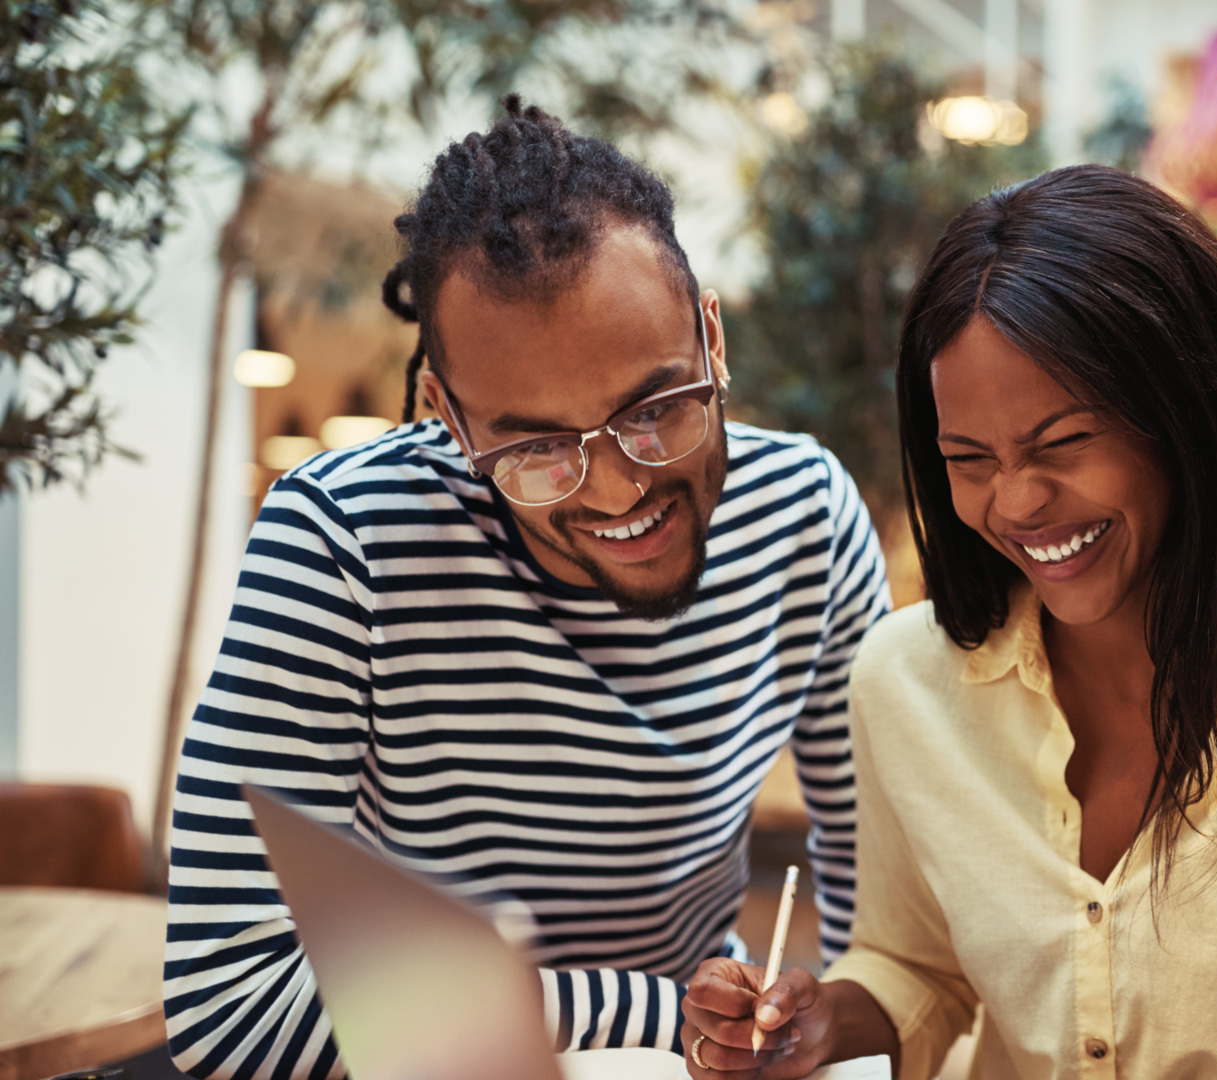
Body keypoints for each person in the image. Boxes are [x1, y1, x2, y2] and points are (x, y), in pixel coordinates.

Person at [678, 165, 1217, 1080]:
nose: (1018, 502)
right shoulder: (906, 677)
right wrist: (822, 1018)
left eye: (1063, 444)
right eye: (969, 459)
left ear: (1186, 411)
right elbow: (919, 969)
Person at [162, 98, 890, 1079]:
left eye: (657, 407)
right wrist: (651, 1010)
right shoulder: (340, 547)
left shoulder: (805, 519)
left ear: (711, 336)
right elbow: (229, 1002)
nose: (621, 486)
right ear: (447, 418)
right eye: (538, 448)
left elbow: (880, 921)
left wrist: (824, 1019)